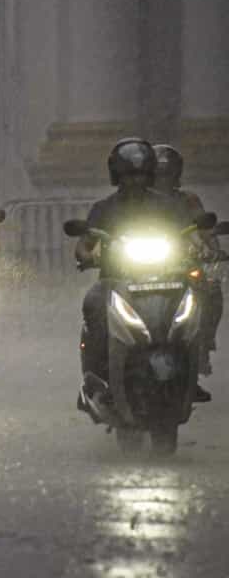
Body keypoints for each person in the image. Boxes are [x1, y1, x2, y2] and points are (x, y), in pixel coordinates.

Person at [73, 139, 210, 403]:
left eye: (140, 174)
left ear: (150, 174)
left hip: (167, 279)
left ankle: (191, 374)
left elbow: (190, 235)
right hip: (115, 281)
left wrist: (199, 248)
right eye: (128, 175)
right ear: (117, 176)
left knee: (197, 303)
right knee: (93, 304)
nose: (134, 181)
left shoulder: (170, 206)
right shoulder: (103, 208)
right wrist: (87, 256)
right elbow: (84, 244)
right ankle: (97, 380)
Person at [154, 144, 223, 375]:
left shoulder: (188, 200)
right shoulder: (138, 202)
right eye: (159, 174)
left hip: (182, 261)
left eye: (168, 174)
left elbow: (203, 229)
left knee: (210, 289)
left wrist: (211, 248)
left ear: (176, 175)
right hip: (141, 263)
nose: (163, 180)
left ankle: (202, 345)